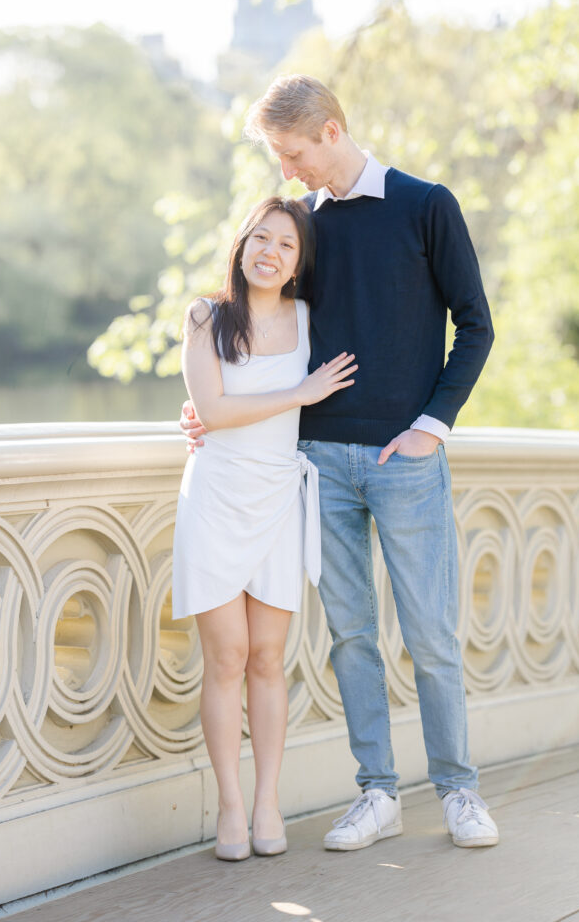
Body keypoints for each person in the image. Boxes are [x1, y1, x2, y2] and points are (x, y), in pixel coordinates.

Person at [181, 75, 499, 851]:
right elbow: (263, 332)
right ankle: (376, 792)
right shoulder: (305, 229)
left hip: (405, 459)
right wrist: (205, 410)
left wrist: (431, 425)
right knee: (350, 636)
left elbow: (476, 325)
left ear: (329, 131)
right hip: (314, 463)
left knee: (429, 634)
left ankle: (458, 790)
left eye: (292, 153)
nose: (287, 171)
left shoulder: (427, 205)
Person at [172, 194, 357, 861]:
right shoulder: (205, 317)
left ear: (298, 261)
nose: (269, 252)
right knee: (224, 657)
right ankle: (228, 807)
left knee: (265, 659)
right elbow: (211, 412)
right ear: (240, 244)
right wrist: (298, 394)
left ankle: (266, 801)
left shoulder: (311, 319)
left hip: (280, 497)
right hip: (217, 497)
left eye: (285, 244)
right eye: (260, 238)